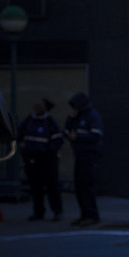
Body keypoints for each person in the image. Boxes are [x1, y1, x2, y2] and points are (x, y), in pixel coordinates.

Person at [20, 97, 64, 221]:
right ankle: (38, 211)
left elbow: (58, 140)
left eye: (40, 106)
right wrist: (24, 148)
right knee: (35, 187)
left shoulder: (50, 122)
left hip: (47, 160)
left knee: (52, 186)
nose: (37, 108)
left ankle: (57, 211)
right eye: (36, 106)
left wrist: (47, 151)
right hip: (32, 159)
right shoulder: (29, 120)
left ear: (46, 108)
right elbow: (20, 134)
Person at [65, 91, 104, 227]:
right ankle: (84, 214)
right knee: (80, 186)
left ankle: (92, 215)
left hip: (89, 155)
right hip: (79, 154)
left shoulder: (92, 116)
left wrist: (78, 138)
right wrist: (70, 120)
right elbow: (67, 131)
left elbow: (96, 136)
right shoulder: (77, 117)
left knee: (87, 186)